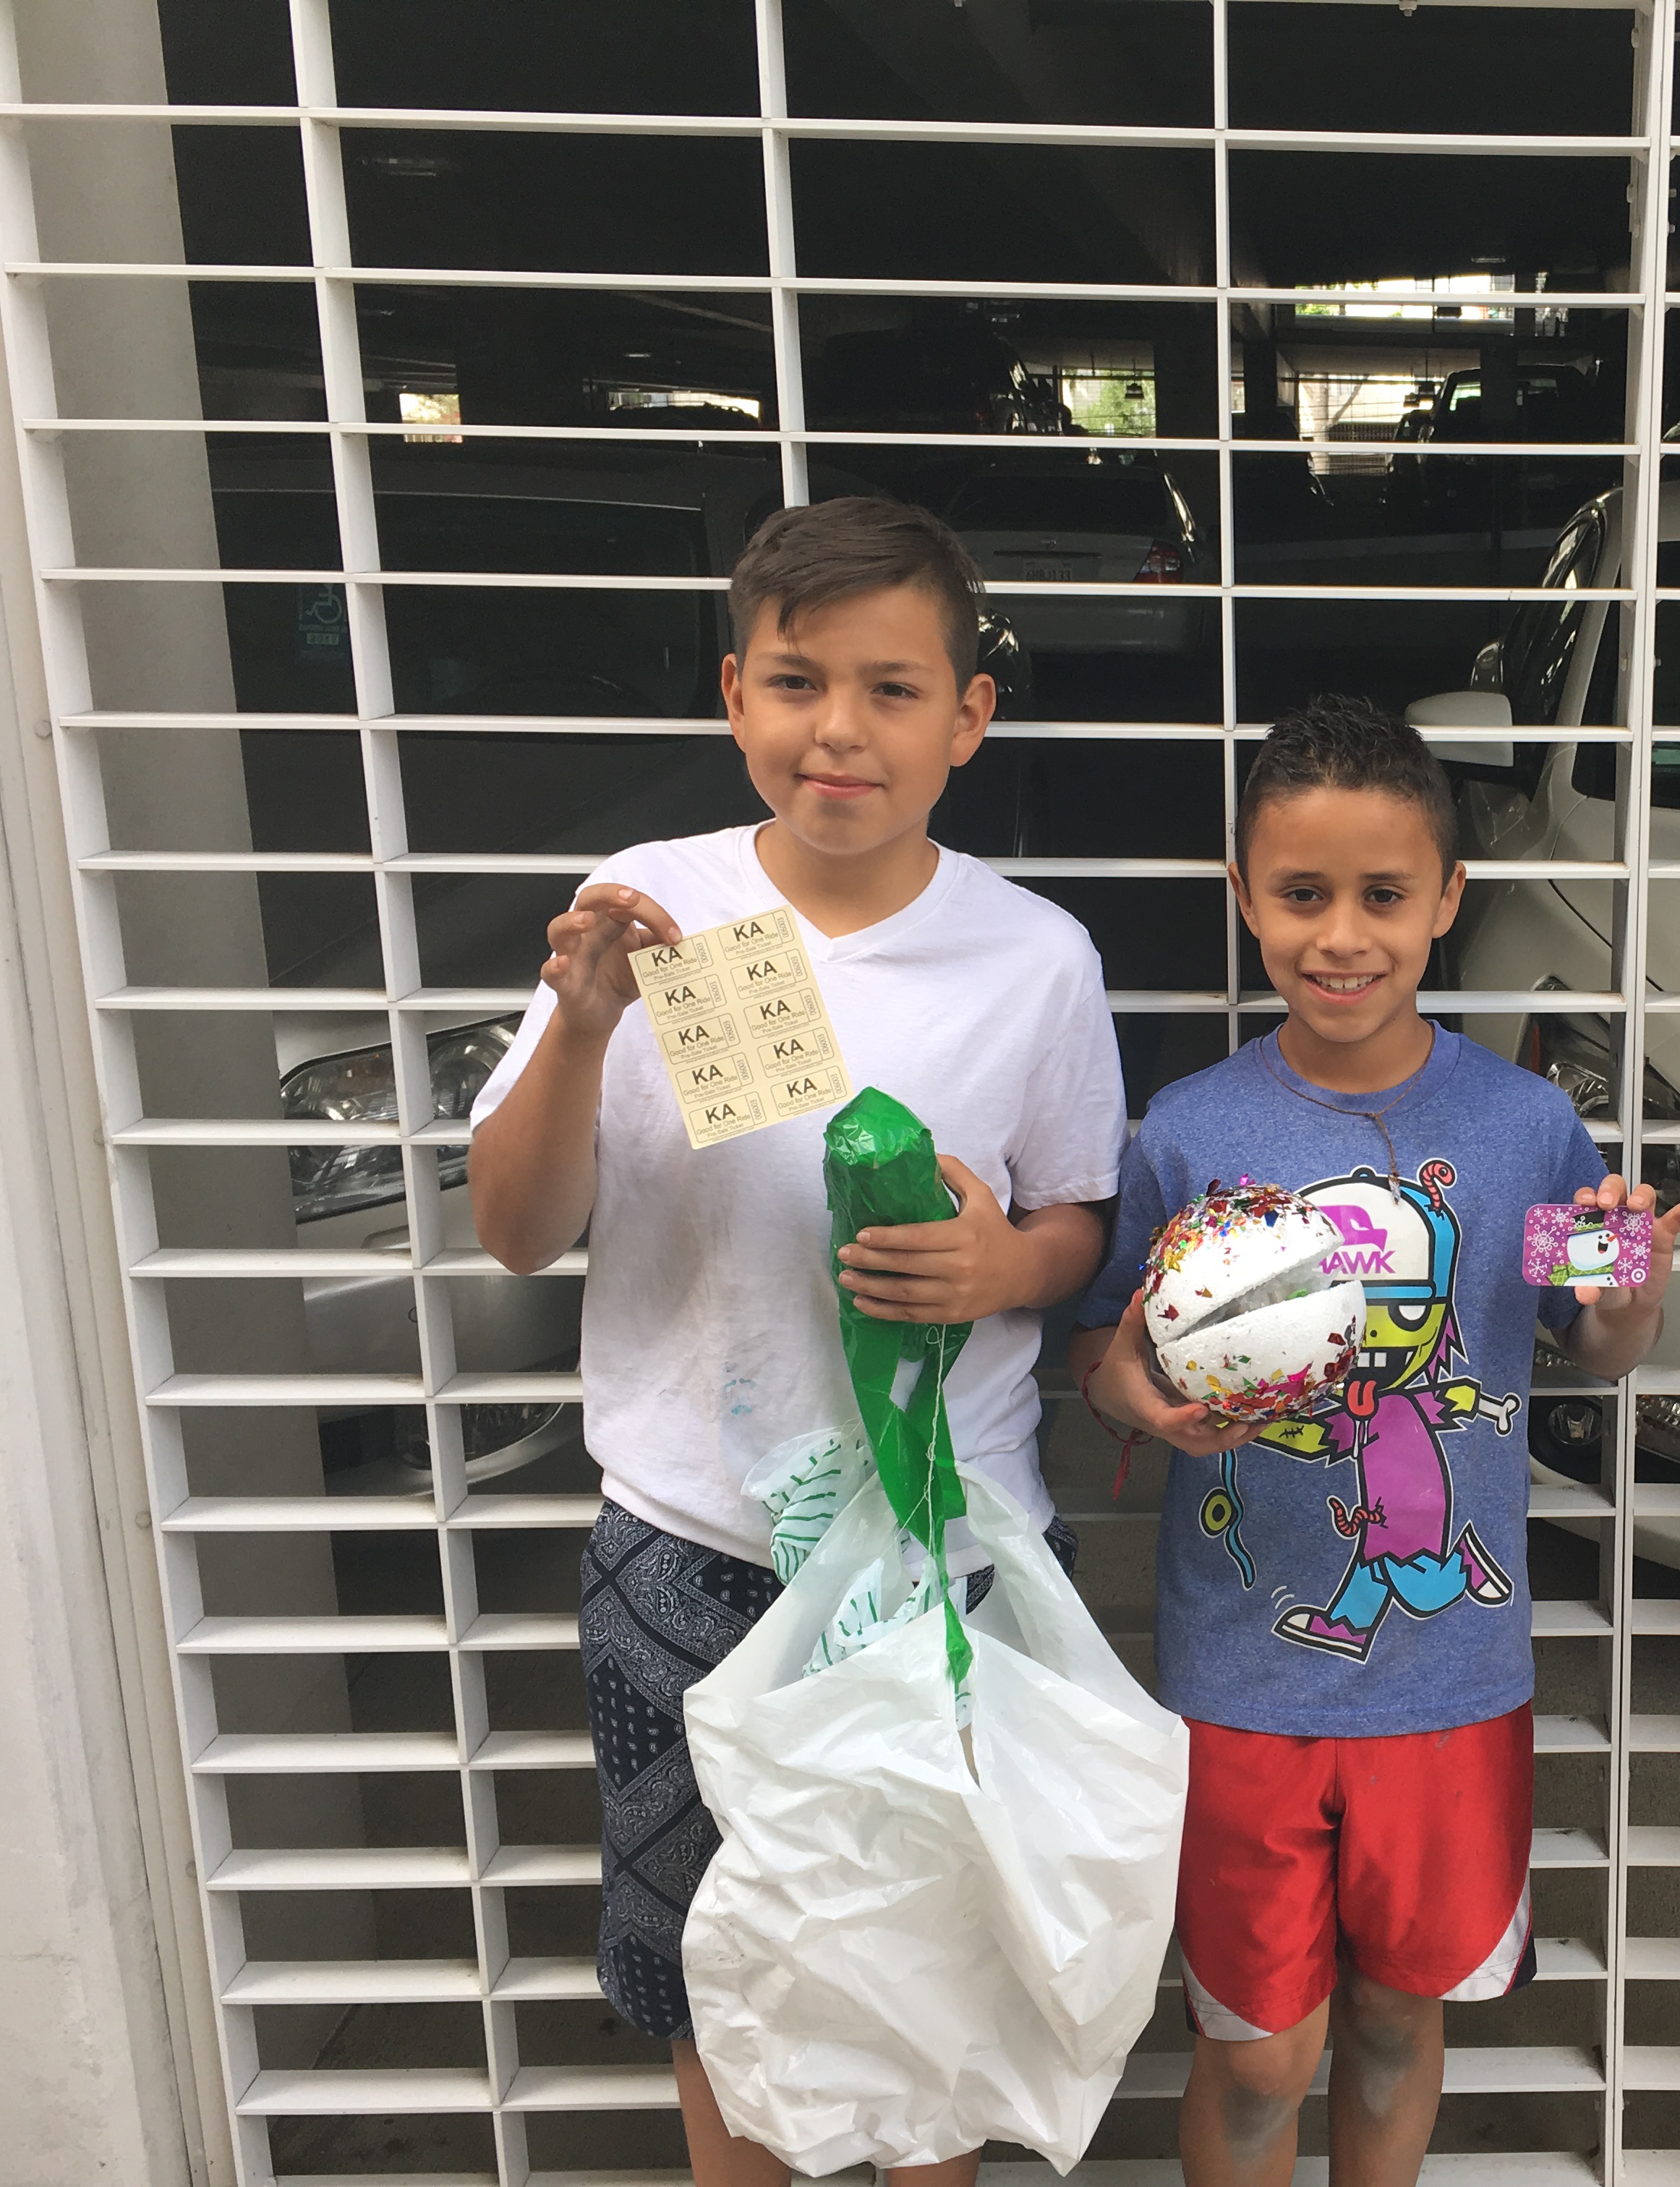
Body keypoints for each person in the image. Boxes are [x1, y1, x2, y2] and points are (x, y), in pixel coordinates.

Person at [469, 497, 1127, 2187]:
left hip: (939, 1546)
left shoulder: (1037, 958)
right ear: (734, 695)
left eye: (894, 689)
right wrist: (579, 1032)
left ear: (969, 717)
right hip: (686, 1544)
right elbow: (515, 1229)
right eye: (798, 681)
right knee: (721, 1977)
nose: (841, 728)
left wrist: (1001, 1265)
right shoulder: (644, 918)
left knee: (936, 1972)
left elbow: (1078, 1224)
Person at [1070, 696, 1680, 2187]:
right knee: (1258, 2053)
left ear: (1447, 902)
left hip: (1453, 1680)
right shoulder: (1187, 1128)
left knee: (1400, 2028)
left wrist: (1631, 1293)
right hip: (1239, 1677)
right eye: (1301, 895)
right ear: (1244, 898)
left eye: (1381, 895)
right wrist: (1134, 1397)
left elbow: (1586, 1345)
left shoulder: (1534, 1128)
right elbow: (1100, 1356)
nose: (1340, 936)